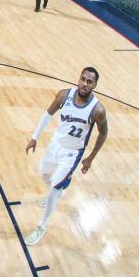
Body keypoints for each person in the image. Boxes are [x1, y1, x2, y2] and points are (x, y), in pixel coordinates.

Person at [24, 67, 109, 245]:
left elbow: (103, 133)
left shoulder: (97, 110)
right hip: (56, 144)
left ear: (95, 85)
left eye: (89, 82)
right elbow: (48, 114)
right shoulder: (64, 95)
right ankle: (63, 187)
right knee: (44, 174)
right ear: (78, 79)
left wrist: (90, 158)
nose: (85, 84)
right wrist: (34, 137)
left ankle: (41, 226)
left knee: (54, 188)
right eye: (83, 79)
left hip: (72, 153)